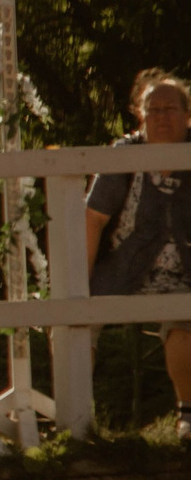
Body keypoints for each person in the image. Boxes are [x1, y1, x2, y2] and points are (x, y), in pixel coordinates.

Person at [88, 71, 191, 428]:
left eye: (170, 109)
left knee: (185, 323)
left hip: (184, 273)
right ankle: (76, 419)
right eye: (153, 109)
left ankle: (187, 418)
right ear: (140, 115)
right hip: (123, 270)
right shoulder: (125, 156)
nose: (162, 117)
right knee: (74, 320)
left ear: (186, 115)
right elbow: (93, 218)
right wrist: (79, 283)